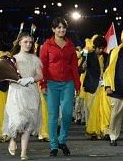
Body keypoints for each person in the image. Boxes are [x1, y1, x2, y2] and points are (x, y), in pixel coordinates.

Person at [39, 17, 80, 157]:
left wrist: (77, 85)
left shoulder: (70, 45)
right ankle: (54, 146)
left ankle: (62, 140)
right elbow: (42, 67)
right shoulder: (47, 46)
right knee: (53, 116)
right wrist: (42, 84)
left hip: (68, 84)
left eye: (64, 27)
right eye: (59, 27)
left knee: (68, 114)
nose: (61, 30)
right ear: (53, 29)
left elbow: (74, 67)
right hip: (51, 84)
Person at [3, 33, 43, 161]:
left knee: (29, 123)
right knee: (17, 120)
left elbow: (40, 75)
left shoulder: (35, 59)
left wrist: (30, 79)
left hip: (30, 92)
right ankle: (13, 139)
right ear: (19, 42)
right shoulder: (12, 59)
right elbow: (6, 74)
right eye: (26, 42)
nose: (28, 44)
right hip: (16, 92)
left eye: (30, 42)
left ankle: (24, 152)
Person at [84, 35, 110, 139]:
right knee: (90, 110)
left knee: (101, 110)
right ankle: (91, 131)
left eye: (102, 48)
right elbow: (80, 69)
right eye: (99, 48)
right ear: (95, 47)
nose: (100, 50)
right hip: (91, 86)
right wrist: (83, 66)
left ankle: (101, 131)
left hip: (103, 86)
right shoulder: (88, 56)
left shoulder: (107, 56)